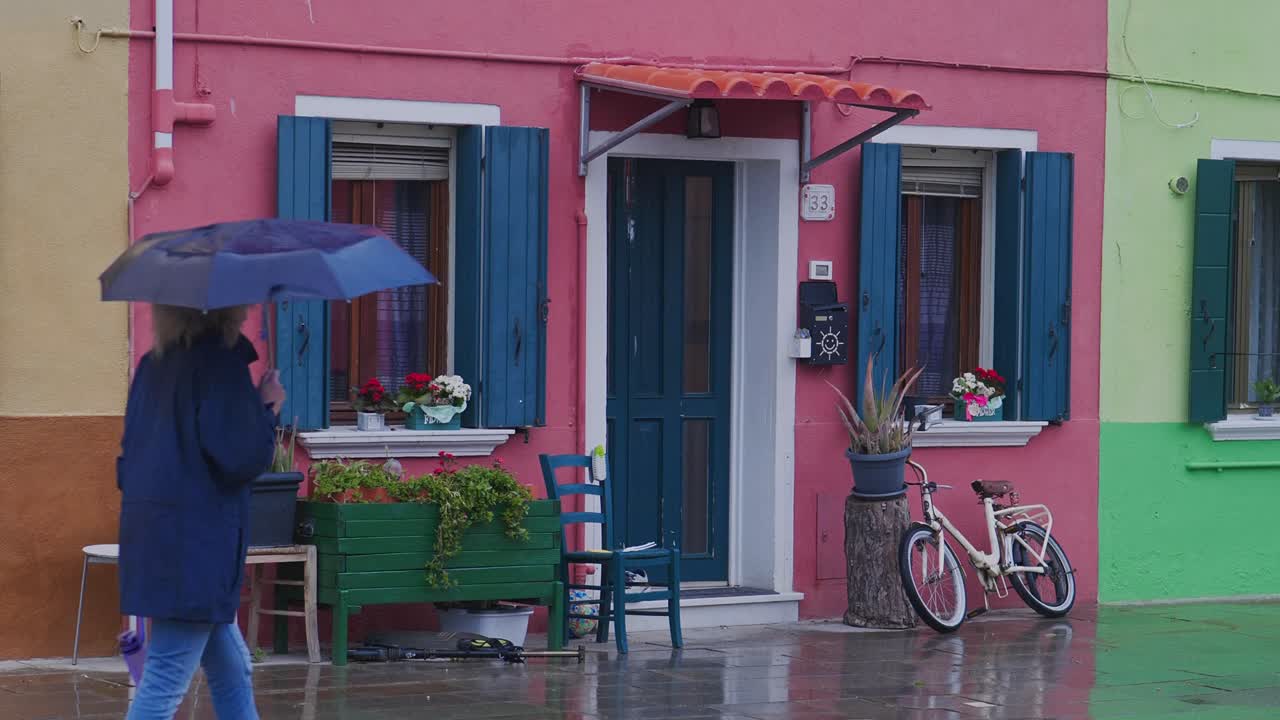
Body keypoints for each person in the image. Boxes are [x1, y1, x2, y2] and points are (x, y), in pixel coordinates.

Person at [117, 305, 285, 719]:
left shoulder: (152, 365)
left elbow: (129, 460)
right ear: (228, 312)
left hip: (155, 536)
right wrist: (267, 409)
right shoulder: (221, 364)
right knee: (164, 681)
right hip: (197, 548)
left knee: (232, 668)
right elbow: (241, 456)